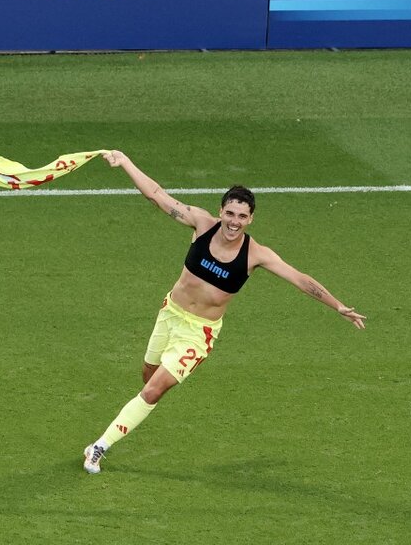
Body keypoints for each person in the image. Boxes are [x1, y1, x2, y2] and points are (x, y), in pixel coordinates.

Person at [83, 150, 366, 474]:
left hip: (197, 333)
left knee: (152, 390)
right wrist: (126, 162)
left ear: (250, 219)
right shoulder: (202, 225)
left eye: (242, 216)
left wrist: (338, 306)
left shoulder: (255, 254)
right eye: (230, 213)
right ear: (221, 211)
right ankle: (135, 412)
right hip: (170, 313)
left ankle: (99, 447)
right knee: (147, 378)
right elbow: (157, 196)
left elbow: (299, 279)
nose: (234, 221)